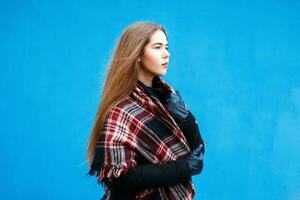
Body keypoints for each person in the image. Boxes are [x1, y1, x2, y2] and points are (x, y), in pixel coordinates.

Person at [86, 21, 205, 200]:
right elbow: (123, 177)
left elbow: (197, 152)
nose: (167, 54)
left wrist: (185, 118)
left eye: (167, 47)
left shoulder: (168, 98)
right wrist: (183, 168)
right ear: (138, 54)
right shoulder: (122, 109)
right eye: (157, 47)